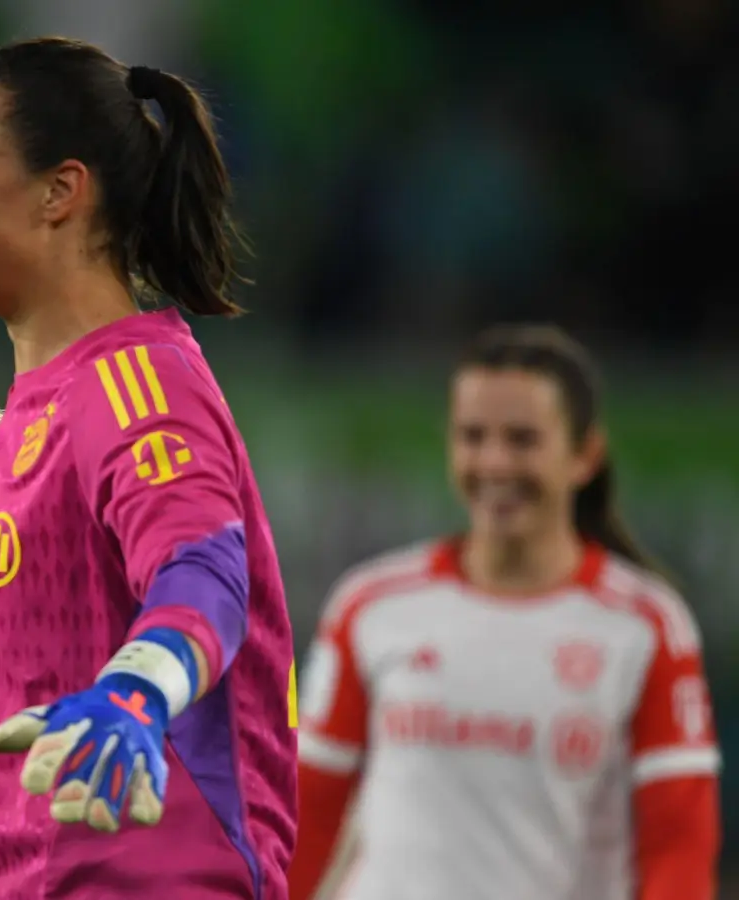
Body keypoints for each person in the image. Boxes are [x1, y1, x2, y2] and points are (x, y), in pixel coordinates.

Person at [0, 37, 297, 899]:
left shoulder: (135, 383)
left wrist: (136, 694)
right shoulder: (44, 407)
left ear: (60, 192)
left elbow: (203, 573)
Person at [289, 324, 721, 900]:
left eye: (522, 440)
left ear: (584, 455)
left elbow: (678, 848)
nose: (494, 462)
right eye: (473, 436)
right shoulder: (371, 605)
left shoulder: (644, 626)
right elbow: (306, 814)